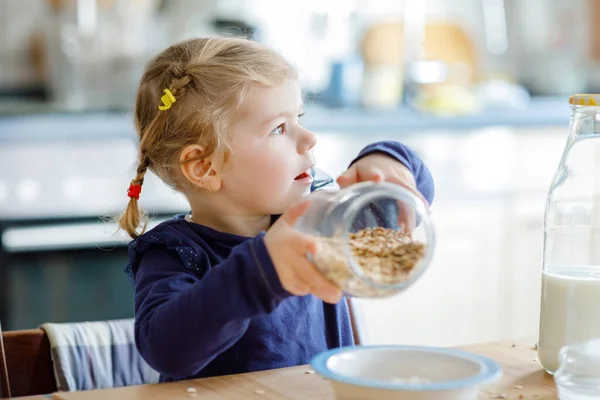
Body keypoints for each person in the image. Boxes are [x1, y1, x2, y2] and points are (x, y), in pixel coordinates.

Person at [119, 36, 435, 382]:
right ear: (205, 167)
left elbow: (402, 205)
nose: (309, 137)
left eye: (299, 116)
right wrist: (263, 270)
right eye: (279, 128)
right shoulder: (174, 254)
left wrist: (388, 159)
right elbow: (166, 349)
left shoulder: (320, 217)